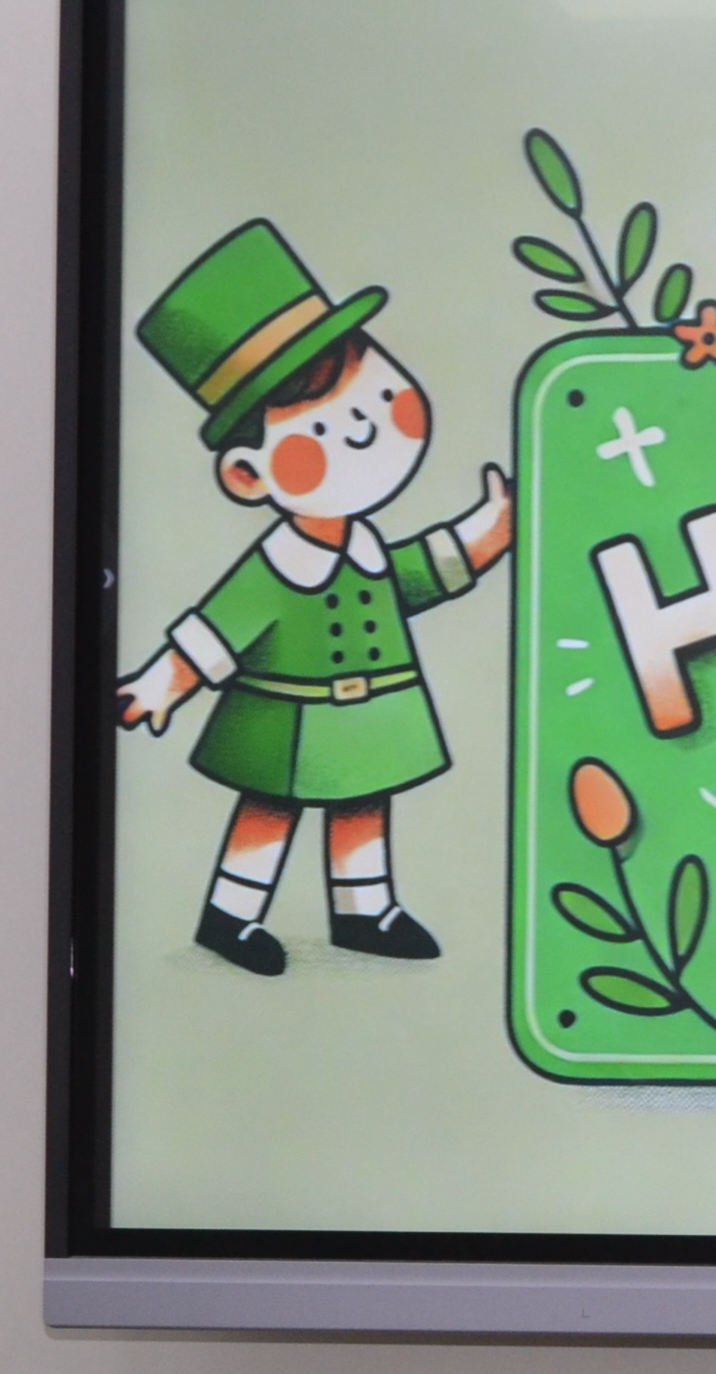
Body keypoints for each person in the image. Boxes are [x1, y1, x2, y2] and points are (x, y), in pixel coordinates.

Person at [117, 220, 513, 977]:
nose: (365, 432)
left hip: (371, 712)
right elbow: (214, 632)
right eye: (326, 428)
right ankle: (232, 916)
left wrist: (488, 534)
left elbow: (418, 572)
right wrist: (161, 684)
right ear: (247, 475)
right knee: (272, 810)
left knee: (364, 802)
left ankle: (366, 911)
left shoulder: (367, 551)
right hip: (284, 716)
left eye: (380, 397)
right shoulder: (275, 568)